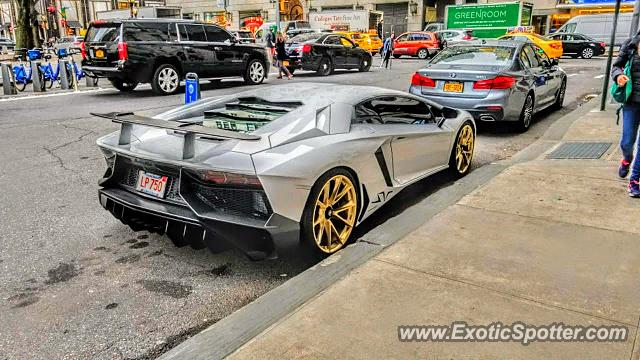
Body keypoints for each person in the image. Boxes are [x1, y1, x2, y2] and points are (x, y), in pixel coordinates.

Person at [612, 31, 640, 197]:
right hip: (631, 103)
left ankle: (635, 180)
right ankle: (626, 159)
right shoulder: (630, 45)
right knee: (627, 142)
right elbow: (615, 67)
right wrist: (619, 76)